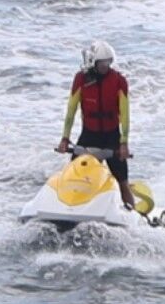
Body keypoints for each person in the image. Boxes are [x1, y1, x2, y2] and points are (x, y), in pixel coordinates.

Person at [56, 40, 136, 209]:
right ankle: (67, 208)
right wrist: (65, 138)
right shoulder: (80, 79)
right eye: (101, 63)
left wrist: (124, 143)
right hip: (88, 136)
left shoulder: (119, 81)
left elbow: (125, 114)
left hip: (112, 137)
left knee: (123, 181)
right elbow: (71, 110)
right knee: (73, 176)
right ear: (93, 63)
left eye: (108, 62)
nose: (105, 66)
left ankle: (133, 215)